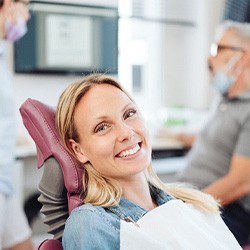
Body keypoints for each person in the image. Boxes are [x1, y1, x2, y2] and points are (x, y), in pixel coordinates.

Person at [56, 73, 241, 249]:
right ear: (78, 150)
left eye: (129, 114)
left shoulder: (193, 203)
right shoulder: (91, 224)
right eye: (102, 127)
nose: (127, 132)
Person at [174, 21, 250, 247]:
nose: (210, 58)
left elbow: (240, 183)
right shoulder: (224, 100)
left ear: (243, 57)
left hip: (225, 211)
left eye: (217, 49)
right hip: (192, 197)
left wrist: (185, 208)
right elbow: (217, 142)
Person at [0, 0, 34, 249]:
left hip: (5, 175)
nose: (27, 16)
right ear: (9, 4)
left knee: (22, 244)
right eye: (26, 6)